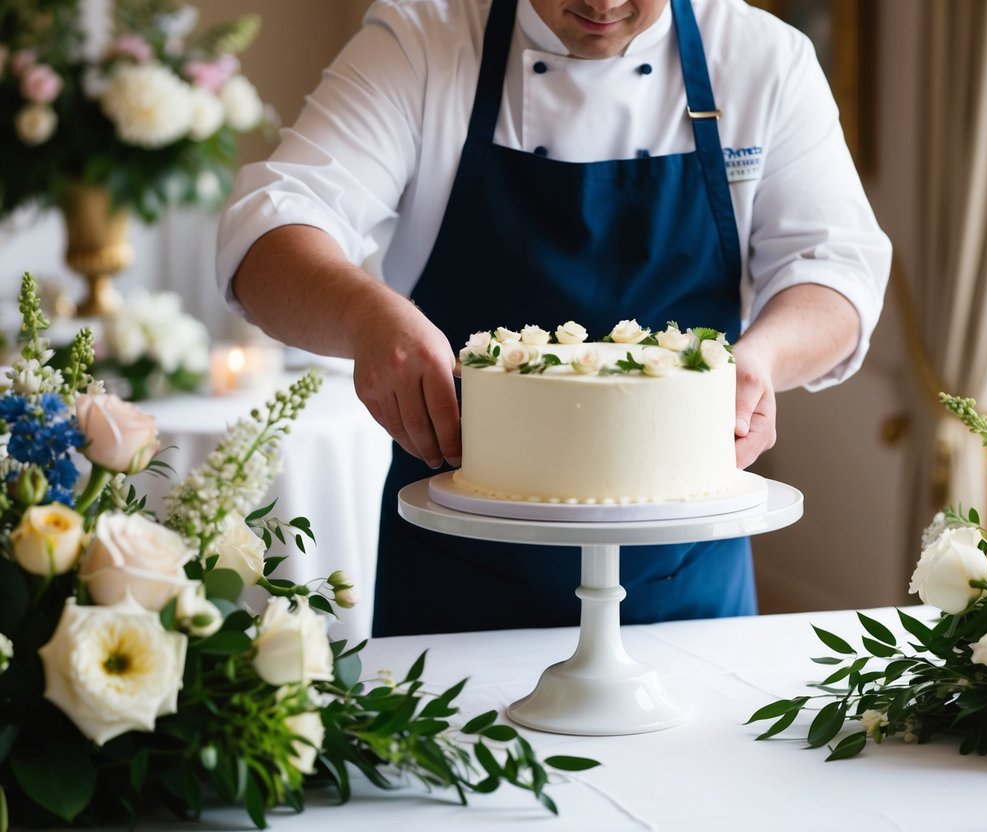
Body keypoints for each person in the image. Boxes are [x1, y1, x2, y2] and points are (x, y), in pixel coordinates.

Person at [216, 0, 891, 636]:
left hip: (686, 571)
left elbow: (835, 269)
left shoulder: (760, 57)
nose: (602, 2)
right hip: (458, 570)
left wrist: (760, 359)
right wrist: (365, 315)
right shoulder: (424, 40)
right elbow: (270, 228)